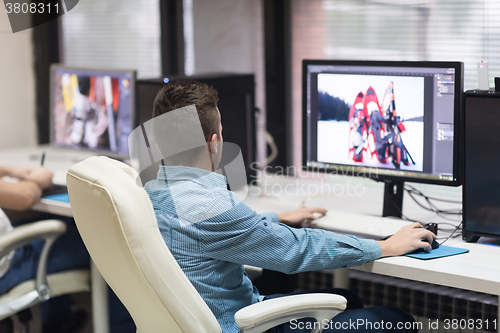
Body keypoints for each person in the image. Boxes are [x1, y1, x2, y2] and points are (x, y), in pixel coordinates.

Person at [144, 80, 436, 333]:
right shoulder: (213, 207)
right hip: (238, 324)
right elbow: (296, 250)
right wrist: (384, 246)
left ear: (158, 145)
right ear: (215, 143)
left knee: (348, 297)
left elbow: (208, 231)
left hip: (192, 321)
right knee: (396, 319)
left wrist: (276, 217)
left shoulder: (149, 193)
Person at [0, 165, 135, 333]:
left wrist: (7, 171)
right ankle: (123, 329)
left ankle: (58, 322)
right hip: (10, 263)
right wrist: (38, 180)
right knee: (113, 241)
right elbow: (25, 197)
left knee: (64, 220)